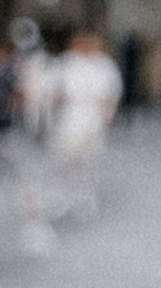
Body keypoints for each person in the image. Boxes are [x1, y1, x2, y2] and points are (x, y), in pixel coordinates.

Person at [39, 24, 123, 223]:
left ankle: (84, 200)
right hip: (68, 119)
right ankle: (59, 200)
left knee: (87, 163)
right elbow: (50, 88)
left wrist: (107, 115)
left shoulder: (104, 65)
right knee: (63, 161)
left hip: (92, 120)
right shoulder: (65, 63)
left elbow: (113, 92)